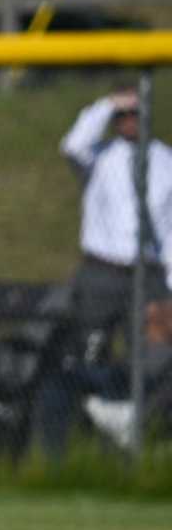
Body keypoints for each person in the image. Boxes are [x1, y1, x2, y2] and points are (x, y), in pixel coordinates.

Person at [59, 88, 172, 359]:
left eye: (135, 113)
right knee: (89, 346)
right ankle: (93, 397)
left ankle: (140, 400)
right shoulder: (99, 156)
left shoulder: (165, 160)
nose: (129, 120)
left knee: (155, 349)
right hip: (103, 270)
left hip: (149, 272)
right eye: (122, 115)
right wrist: (108, 104)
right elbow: (73, 144)